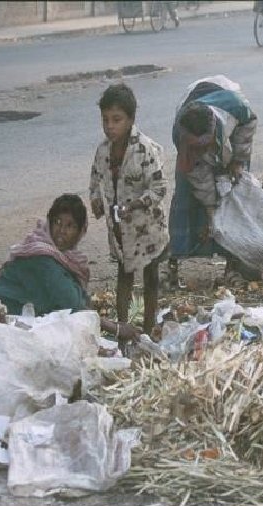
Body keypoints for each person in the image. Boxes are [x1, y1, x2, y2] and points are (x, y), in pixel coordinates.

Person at [0, 194, 141, 341]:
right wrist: (117, 329)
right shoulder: (43, 258)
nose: (62, 231)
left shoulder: (61, 256)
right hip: (6, 320)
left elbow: (76, 298)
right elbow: (72, 306)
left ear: (81, 231)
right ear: (49, 223)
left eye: (70, 226)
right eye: (57, 222)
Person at [89, 83, 168, 339]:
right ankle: (123, 328)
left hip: (148, 227)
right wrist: (96, 200)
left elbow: (159, 188)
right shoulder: (103, 151)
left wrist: (135, 205)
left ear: (131, 119)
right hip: (120, 228)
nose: (110, 126)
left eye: (117, 120)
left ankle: (147, 329)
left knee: (150, 276)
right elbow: (95, 178)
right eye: (106, 120)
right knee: (123, 275)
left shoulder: (145, 150)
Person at [168, 75, 258, 287]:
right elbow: (199, 177)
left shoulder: (234, 108)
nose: (202, 152)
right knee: (184, 200)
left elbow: (249, 123)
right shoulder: (181, 136)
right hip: (195, 137)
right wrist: (211, 215)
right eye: (196, 147)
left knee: (235, 195)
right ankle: (170, 266)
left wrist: (238, 159)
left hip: (233, 140)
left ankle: (233, 265)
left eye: (205, 145)